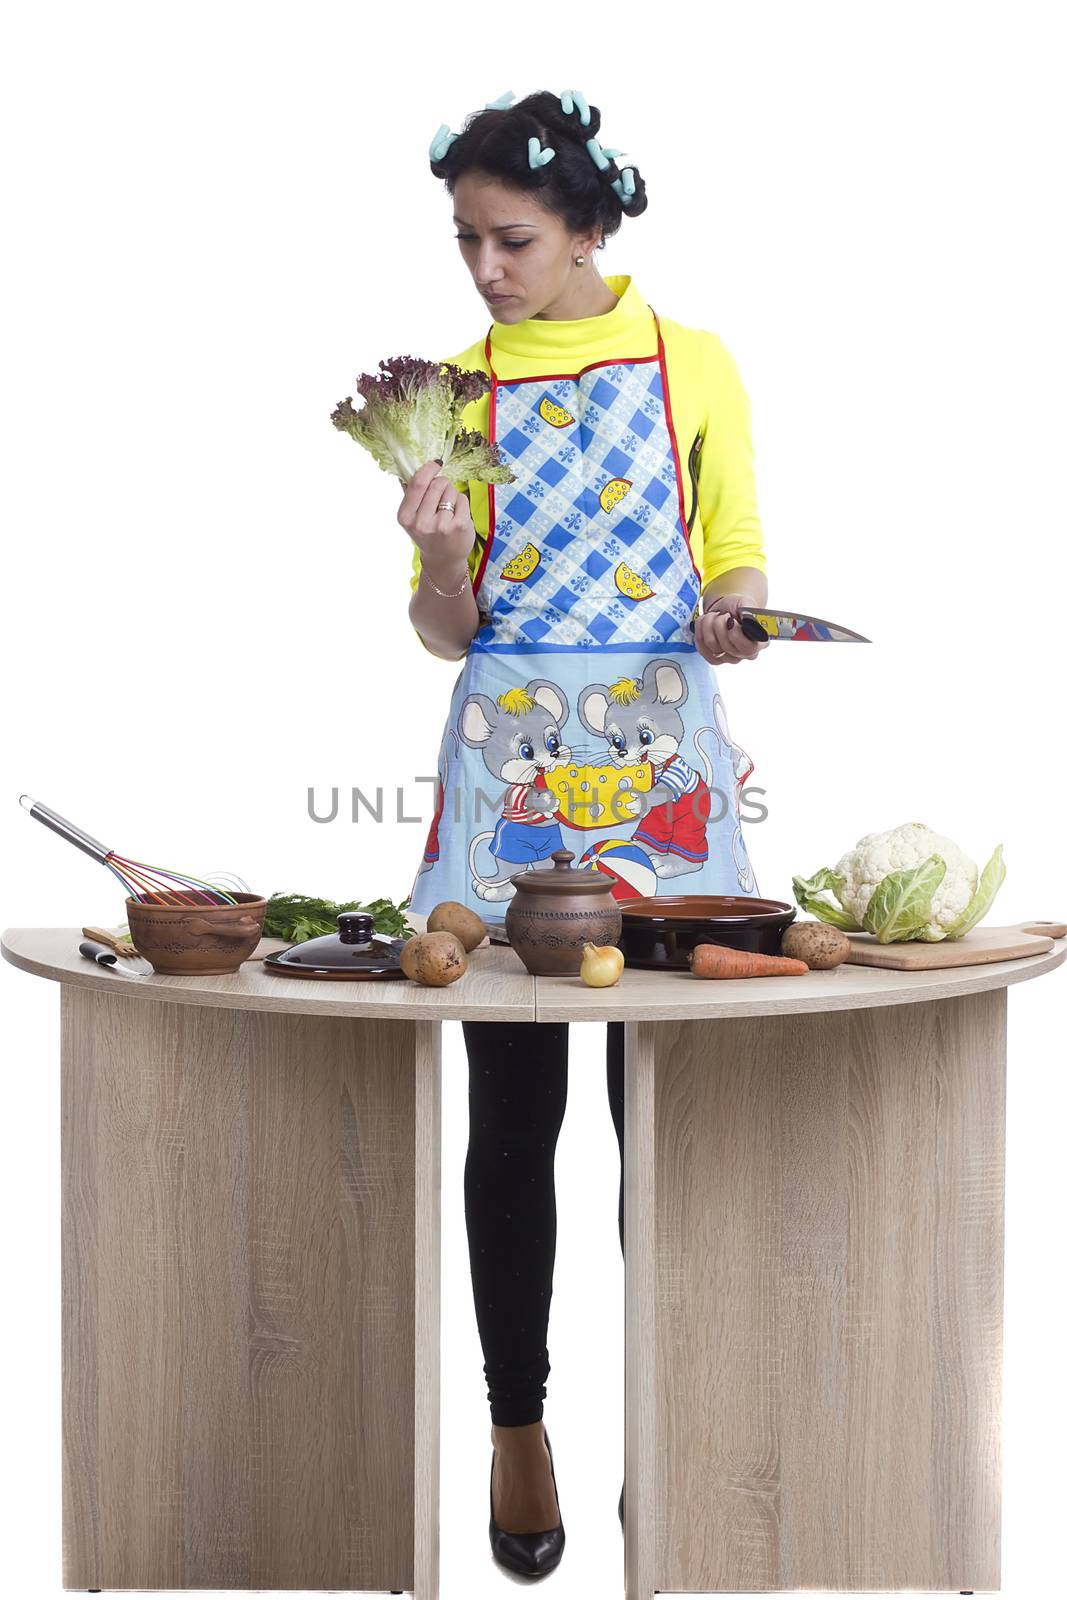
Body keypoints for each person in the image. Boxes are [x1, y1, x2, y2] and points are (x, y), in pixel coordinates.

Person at [396, 87, 769, 1577]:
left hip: (664, 773)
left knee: (660, 1123)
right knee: (513, 1113)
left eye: (515, 241)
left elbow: (734, 557)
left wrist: (734, 619)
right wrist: (437, 557)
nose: (487, 270)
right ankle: (518, 1426)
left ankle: (666, 1432)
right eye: (468, 242)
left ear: (591, 227)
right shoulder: (453, 391)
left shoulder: (695, 364)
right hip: (511, 772)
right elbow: (442, 634)